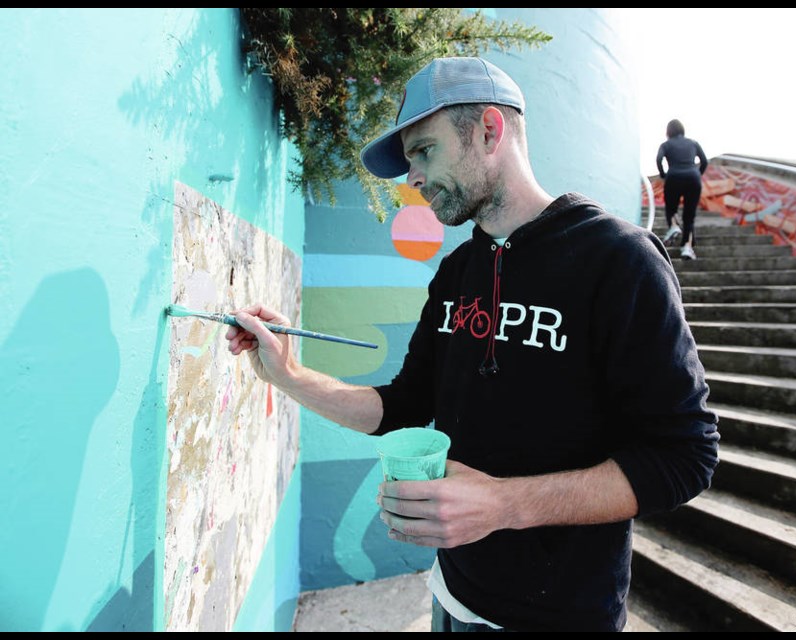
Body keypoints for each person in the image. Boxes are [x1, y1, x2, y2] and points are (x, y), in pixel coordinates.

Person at [226, 57, 719, 632]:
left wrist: (505, 504)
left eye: (424, 151)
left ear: (489, 130)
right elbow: (402, 407)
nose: (411, 178)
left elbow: (686, 457)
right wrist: (287, 373)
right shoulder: (457, 270)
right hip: (452, 595)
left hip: (559, 617)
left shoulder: (620, 261)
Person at [656, 119, 709, 260]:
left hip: (673, 177)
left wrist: (663, 174)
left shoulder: (666, 145)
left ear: (668, 131)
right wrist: (698, 174)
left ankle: (673, 226)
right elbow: (704, 161)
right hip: (693, 178)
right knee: (689, 216)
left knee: (670, 208)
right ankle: (687, 247)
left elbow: (659, 159)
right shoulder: (693, 143)